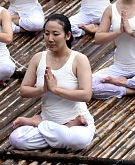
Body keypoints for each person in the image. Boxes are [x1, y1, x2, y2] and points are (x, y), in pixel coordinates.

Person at [8, 14, 95, 151]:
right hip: (49, 119)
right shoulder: (38, 58)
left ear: (67, 35)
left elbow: (86, 95)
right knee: (16, 139)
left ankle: (42, 126)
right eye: (46, 34)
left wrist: (55, 89)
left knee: (79, 139)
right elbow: (24, 90)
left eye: (55, 34)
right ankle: (52, 129)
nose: (50, 39)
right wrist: (44, 89)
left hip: (77, 123)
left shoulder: (79, 59)